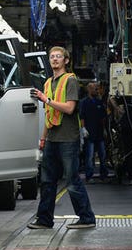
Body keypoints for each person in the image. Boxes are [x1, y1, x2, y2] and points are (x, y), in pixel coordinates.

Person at [27, 46, 97, 230]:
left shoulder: (70, 81)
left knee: (72, 179)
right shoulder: (48, 83)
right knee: (47, 181)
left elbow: (69, 108)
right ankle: (44, 220)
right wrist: (43, 139)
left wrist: (46, 100)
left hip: (68, 138)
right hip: (52, 138)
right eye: (52, 57)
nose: (55, 59)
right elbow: (48, 113)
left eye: (59, 56)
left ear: (66, 61)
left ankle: (87, 217)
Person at [79, 81, 110, 183]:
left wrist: (105, 129)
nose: (96, 90)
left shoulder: (99, 102)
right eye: (94, 89)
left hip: (99, 132)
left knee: (103, 155)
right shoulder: (84, 102)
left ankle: (103, 174)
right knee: (90, 156)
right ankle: (89, 176)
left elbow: (103, 117)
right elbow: (82, 117)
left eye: (97, 88)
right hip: (89, 133)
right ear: (89, 89)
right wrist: (83, 129)